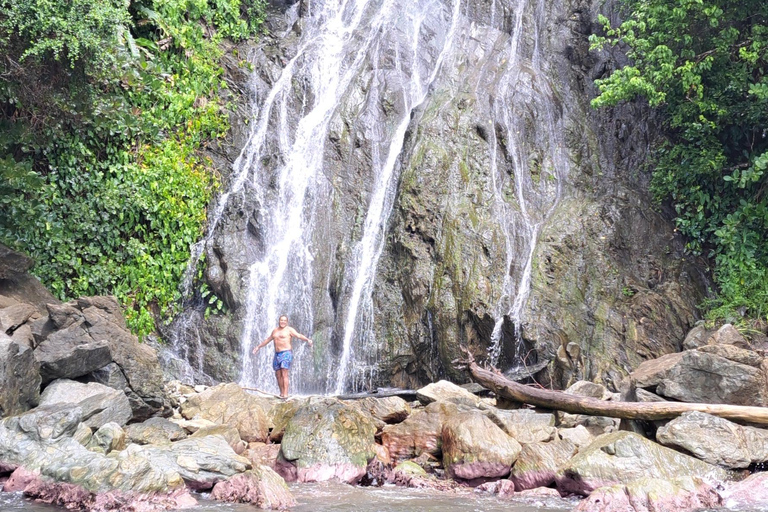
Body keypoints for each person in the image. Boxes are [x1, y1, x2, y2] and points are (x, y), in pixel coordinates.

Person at [252, 314, 313, 398]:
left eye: (284, 320)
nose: (283, 322)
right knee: (278, 374)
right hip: (277, 354)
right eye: (281, 320)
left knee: (284, 372)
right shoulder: (275, 331)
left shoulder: (289, 330)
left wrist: (307, 340)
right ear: (279, 321)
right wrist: (258, 347)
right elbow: (268, 340)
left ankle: (285, 394)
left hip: (286, 353)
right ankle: (281, 393)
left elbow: (298, 335)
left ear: (287, 322)